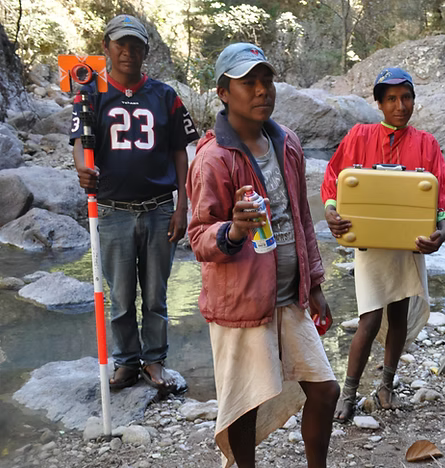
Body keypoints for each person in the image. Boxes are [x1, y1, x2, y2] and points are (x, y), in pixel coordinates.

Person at [186, 43, 339, 468]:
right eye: (248, 82)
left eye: (266, 81)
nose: (261, 91)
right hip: (242, 303)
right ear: (222, 92)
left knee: (325, 390)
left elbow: (301, 219)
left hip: (290, 297)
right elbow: (198, 236)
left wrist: (316, 281)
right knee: (244, 405)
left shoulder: (286, 142)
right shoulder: (213, 159)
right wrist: (233, 231)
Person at [71, 14, 198, 391]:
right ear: (106, 48)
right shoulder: (90, 93)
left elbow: (180, 153)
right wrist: (82, 169)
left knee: (156, 294)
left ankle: (155, 360)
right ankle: (126, 362)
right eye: (120, 44)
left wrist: (182, 206)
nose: (128, 52)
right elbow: (81, 141)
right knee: (121, 297)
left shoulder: (165, 95)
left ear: (146, 50)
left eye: (136, 45)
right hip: (112, 211)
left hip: (159, 209)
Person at [323, 67, 445, 422]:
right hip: (371, 246)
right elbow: (334, 178)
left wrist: (442, 230)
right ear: (379, 103)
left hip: (409, 245)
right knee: (369, 318)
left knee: (398, 316)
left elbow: (441, 192)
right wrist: (331, 212)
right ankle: (347, 395)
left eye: (406, 97)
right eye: (392, 99)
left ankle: (386, 387)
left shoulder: (426, 143)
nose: (400, 106)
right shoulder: (359, 136)